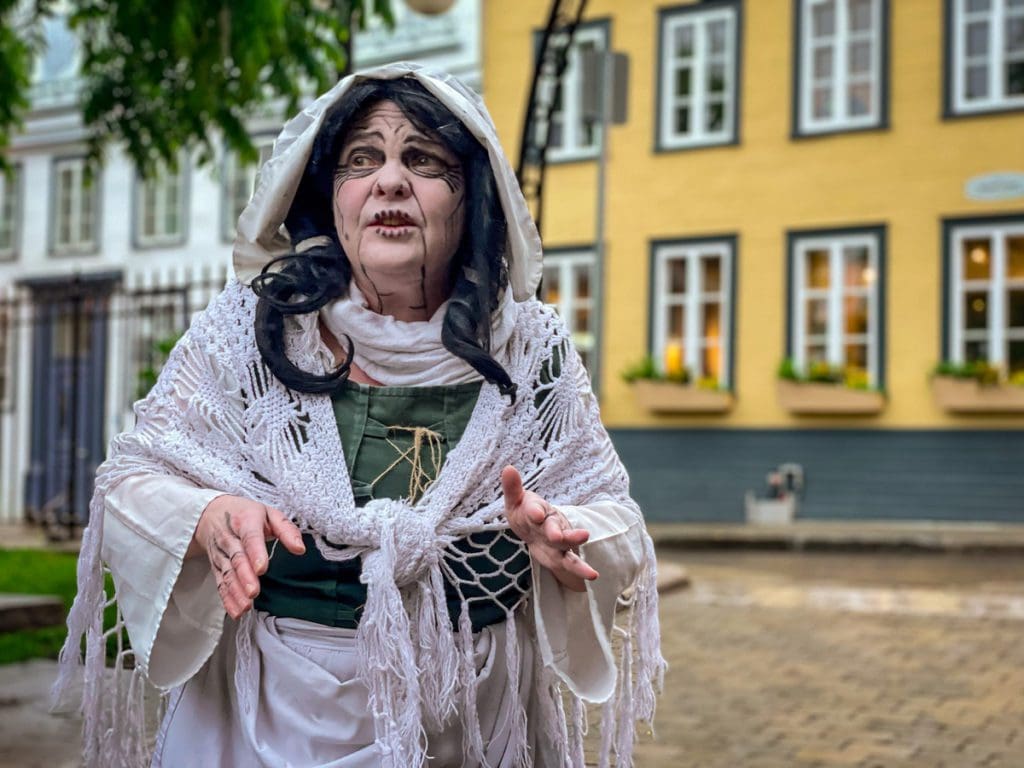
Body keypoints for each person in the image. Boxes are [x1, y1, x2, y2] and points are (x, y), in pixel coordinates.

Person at [55, 62, 664, 768]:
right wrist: (210, 515)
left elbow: (611, 509)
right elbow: (133, 477)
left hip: (475, 716)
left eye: (424, 159)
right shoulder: (247, 336)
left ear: (472, 198)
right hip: (267, 720)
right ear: (332, 198)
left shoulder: (533, 351)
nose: (390, 181)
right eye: (362, 159)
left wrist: (567, 537)